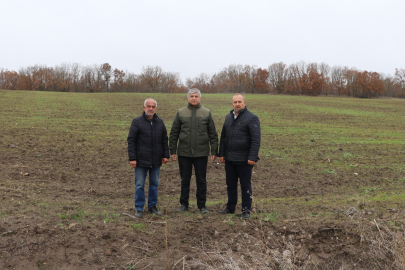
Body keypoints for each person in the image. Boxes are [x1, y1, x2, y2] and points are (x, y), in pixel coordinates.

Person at [169, 88, 218, 214]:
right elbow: (174, 133)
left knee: (201, 180)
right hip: (184, 152)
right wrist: (173, 151)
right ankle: (184, 205)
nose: (194, 98)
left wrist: (214, 151)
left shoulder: (206, 112)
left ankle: (202, 205)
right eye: (191, 96)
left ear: (200, 98)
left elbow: (213, 134)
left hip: (201, 153)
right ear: (188, 98)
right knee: (185, 180)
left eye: (196, 96)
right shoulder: (181, 112)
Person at [218, 93, 261, 219]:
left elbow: (256, 139)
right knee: (230, 184)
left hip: (244, 159)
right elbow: (223, 137)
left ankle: (246, 210)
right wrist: (222, 153)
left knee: (245, 185)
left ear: (244, 103)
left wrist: (252, 157)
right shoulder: (228, 117)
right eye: (235, 102)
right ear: (232, 104)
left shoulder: (252, 118)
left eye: (239, 102)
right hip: (230, 158)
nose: (237, 104)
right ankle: (230, 208)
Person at [127, 98, 169, 218]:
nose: (151, 108)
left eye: (153, 106)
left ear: (156, 108)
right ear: (144, 107)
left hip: (156, 160)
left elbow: (164, 140)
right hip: (141, 160)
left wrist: (165, 155)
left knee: (154, 184)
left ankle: (152, 206)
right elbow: (131, 141)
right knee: (140, 184)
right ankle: (139, 208)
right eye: (148, 106)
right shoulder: (137, 122)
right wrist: (132, 158)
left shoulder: (160, 122)